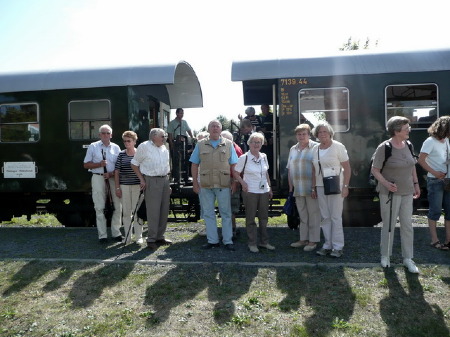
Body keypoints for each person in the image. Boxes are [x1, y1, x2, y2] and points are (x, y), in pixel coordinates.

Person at [371, 116, 421, 273]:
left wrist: (416, 184)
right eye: (406, 128)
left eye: (408, 128)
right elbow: (375, 170)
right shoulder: (384, 147)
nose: (409, 130)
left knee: (407, 225)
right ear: (396, 130)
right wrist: (386, 184)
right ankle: (385, 256)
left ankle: (408, 259)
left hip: (407, 191)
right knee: (389, 225)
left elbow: (412, 165)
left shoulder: (409, 145)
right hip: (389, 193)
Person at [190, 120, 238, 251]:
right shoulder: (200, 144)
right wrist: (195, 182)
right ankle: (213, 241)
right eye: (213, 126)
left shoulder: (228, 144)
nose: (215, 128)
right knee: (208, 213)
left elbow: (234, 165)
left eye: (217, 126)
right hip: (206, 184)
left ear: (221, 129)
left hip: (224, 184)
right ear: (209, 129)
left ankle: (228, 241)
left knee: (226, 213)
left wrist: (235, 182)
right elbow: (194, 164)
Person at [312, 121, 351, 258]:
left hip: (336, 186)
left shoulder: (338, 147)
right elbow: (314, 169)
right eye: (320, 132)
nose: (322, 134)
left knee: (335, 217)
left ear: (330, 133)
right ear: (316, 135)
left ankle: (338, 246)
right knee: (325, 217)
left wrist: (345, 186)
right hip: (321, 186)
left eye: (325, 132)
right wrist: (313, 187)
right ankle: (327, 245)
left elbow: (347, 168)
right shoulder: (315, 148)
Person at [131, 128, 172, 250]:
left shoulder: (164, 148)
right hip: (151, 180)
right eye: (162, 136)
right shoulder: (144, 146)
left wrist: (168, 183)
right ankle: (151, 239)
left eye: (164, 136)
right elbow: (134, 163)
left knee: (164, 209)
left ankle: (160, 236)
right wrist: (142, 179)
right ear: (153, 137)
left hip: (164, 179)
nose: (164, 138)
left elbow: (166, 166)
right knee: (153, 211)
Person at [234, 132, 274, 253]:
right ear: (249, 143)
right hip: (250, 191)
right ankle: (252, 243)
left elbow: (266, 173)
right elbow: (236, 172)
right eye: (254, 142)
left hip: (264, 191)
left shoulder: (264, 156)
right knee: (250, 218)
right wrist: (243, 183)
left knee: (264, 218)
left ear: (262, 144)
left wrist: (270, 187)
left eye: (259, 142)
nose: (256, 144)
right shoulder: (244, 158)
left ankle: (264, 242)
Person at [83, 124, 122, 243]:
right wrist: (99, 164)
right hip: (98, 177)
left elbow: (119, 166)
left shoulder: (116, 147)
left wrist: (110, 174)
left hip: (112, 178)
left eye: (108, 133)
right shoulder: (93, 146)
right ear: (99, 135)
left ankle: (116, 233)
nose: (106, 135)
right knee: (99, 207)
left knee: (117, 206)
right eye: (103, 133)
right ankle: (102, 235)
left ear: (111, 134)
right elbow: (86, 164)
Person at [418, 116, 450, 251]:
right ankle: (434, 240)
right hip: (434, 180)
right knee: (435, 211)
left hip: (447, 179)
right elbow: (421, 160)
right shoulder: (429, 141)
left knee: (449, 211)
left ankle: (448, 240)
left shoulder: (446, 140)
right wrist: (435, 173)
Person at [287, 124, 320, 251]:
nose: (301, 136)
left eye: (304, 134)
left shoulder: (315, 148)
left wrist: (314, 187)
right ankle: (303, 239)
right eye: (299, 134)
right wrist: (291, 187)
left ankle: (313, 241)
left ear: (309, 134)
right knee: (303, 215)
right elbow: (290, 169)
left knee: (313, 215)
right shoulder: (293, 149)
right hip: (298, 188)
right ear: (296, 135)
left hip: (311, 188)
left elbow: (316, 169)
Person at [114, 130, 143, 245]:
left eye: (129, 141)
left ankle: (139, 236)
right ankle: (127, 236)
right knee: (126, 212)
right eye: (125, 141)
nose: (126, 143)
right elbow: (117, 171)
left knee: (138, 212)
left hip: (137, 186)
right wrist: (117, 188)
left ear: (134, 141)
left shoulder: (139, 154)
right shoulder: (121, 154)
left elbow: (143, 169)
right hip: (124, 186)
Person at [221, 130, 243, 239]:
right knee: (227, 205)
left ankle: (231, 230)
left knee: (232, 205)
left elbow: (238, 168)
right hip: (224, 178)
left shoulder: (236, 150)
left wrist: (235, 181)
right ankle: (230, 229)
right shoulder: (229, 147)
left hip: (231, 179)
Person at [167, 108, 194, 182]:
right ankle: (176, 177)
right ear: (177, 113)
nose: (182, 115)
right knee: (176, 161)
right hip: (176, 143)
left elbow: (189, 131)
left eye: (183, 113)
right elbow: (170, 134)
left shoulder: (184, 122)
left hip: (184, 143)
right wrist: (172, 145)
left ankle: (186, 177)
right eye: (180, 113)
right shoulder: (172, 123)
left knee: (185, 160)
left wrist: (192, 138)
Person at [195, 131, 210, 236]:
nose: (201, 140)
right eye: (198, 139)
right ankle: (208, 228)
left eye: (203, 138)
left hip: (214, 182)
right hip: (202, 181)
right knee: (204, 206)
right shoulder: (197, 151)